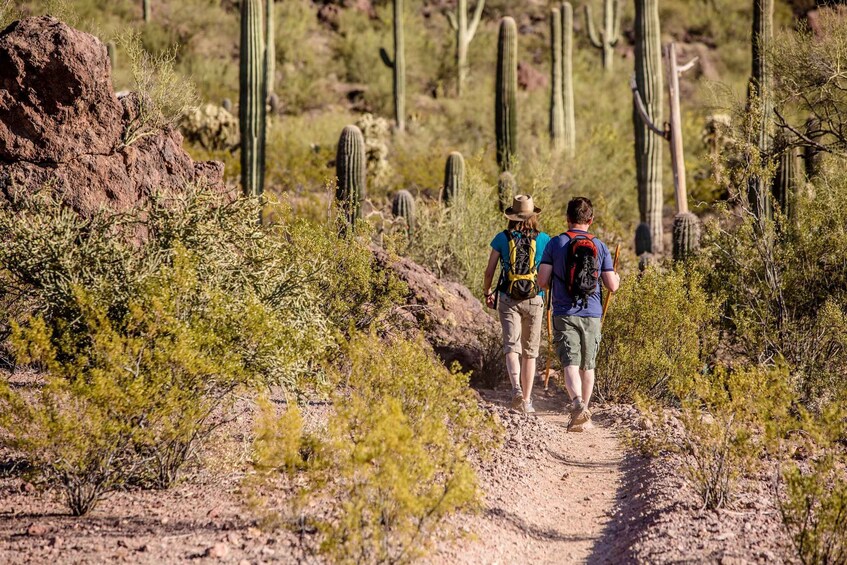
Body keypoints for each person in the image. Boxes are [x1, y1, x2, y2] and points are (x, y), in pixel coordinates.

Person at [538, 197, 620, 432]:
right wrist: (618, 279)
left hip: (564, 312)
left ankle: (577, 406)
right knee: (588, 365)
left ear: (567, 218)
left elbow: (543, 282)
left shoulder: (555, 243)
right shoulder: (600, 246)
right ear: (590, 220)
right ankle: (585, 415)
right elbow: (612, 286)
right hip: (592, 313)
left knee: (570, 363)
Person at [483, 195, 551, 414]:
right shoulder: (544, 240)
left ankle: (516, 391)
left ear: (511, 216)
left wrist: (487, 292)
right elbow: (549, 272)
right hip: (535, 298)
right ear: (533, 216)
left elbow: (489, 270)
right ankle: (528, 401)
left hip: (508, 297)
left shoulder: (501, 238)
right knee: (530, 352)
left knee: (512, 346)